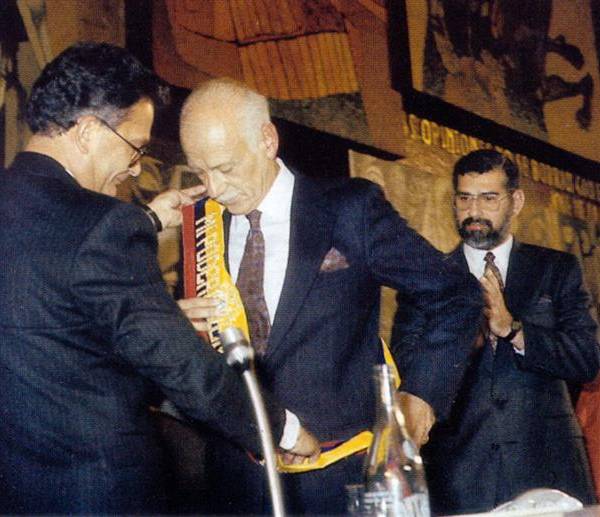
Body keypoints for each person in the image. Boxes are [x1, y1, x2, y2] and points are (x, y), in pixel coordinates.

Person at [0, 42, 318, 515]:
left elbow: (52, 288)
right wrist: (285, 430)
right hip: (99, 494)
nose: (134, 168)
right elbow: (186, 371)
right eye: (136, 147)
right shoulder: (104, 226)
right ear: (87, 131)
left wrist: (145, 220)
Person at [177, 78, 484, 515]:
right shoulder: (200, 231)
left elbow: (455, 294)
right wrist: (178, 329)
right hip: (236, 479)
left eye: (226, 168)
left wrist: (421, 397)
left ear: (267, 140)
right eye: (200, 172)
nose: (214, 187)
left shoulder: (348, 209)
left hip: (338, 474)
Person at [393, 149, 600, 515]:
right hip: (458, 478)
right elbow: (405, 368)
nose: (474, 211)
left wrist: (514, 330)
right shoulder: (426, 279)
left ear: (515, 201)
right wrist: (462, 338)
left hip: (550, 471)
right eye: (464, 198)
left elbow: (586, 359)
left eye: (488, 198)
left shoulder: (556, 268)